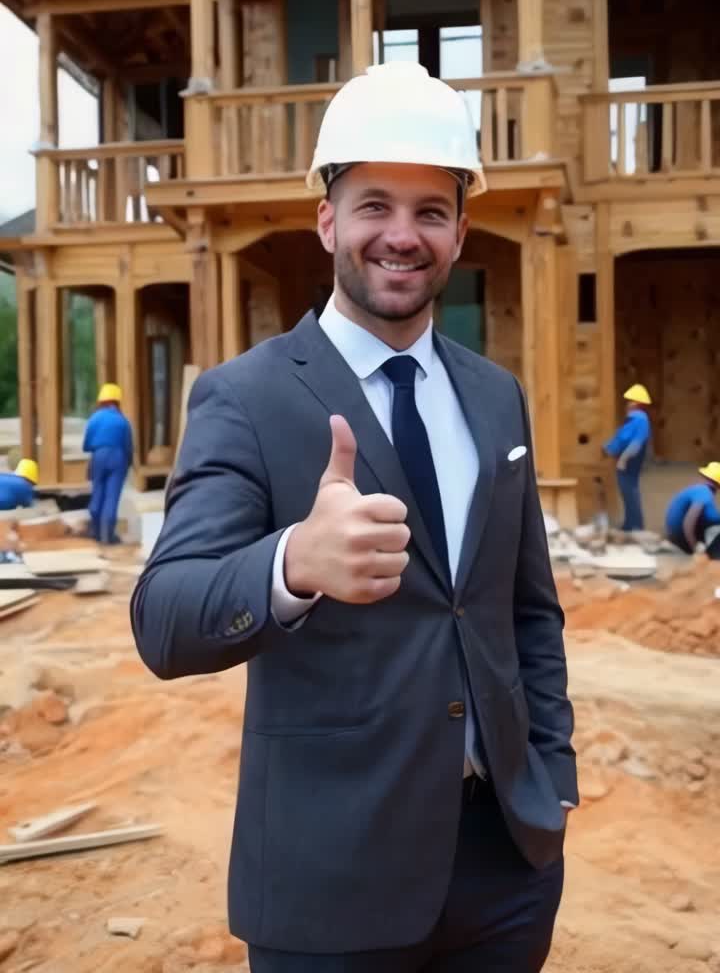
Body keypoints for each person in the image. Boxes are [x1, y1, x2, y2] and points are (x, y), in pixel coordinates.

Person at [131, 62, 577, 973]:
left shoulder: (497, 399)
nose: (402, 236)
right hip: (330, 882)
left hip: (505, 869)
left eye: (431, 210)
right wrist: (293, 562)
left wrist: (552, 777)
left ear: (460, 229)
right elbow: (164, 619)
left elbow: (525, 609)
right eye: (375, 205)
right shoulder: (244, 398)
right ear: (328, 218)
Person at [83, 383, 133, 545]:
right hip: (118, 457)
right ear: (118, 402)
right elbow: (128, 446)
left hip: (98, 456)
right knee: (112, 496)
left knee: (98, 493)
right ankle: (108, 536)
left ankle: (96, 533)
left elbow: (86, 445)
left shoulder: (94, 419)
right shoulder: (122, 421)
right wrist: (128, 464)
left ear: (101, 401)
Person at [602, 384, 652, 531]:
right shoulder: (636, 420)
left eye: (630, 401)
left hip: (629, 462)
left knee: (630, 492)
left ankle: (634, 525)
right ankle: (630, 524)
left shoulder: (639, 420)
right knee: (628, 492)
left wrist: (623, 459)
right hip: (627, 460)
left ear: (636, 403)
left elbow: (634, 442)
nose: (627, 404)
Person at [665, 462, 720, 559]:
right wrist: (694, 547)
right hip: (683, 540)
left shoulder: (697, 489)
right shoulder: (704, 493)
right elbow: (688, 522)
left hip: (675, 536)